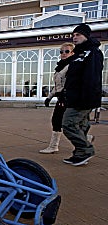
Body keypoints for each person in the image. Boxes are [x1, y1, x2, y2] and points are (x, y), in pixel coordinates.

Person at [62, 23, 103, 166]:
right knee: (82, 126)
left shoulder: (93, 53)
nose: (74, 38)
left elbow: (92, 77)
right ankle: (80, 154)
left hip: (84, 98)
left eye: (78, 35)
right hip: (74, 97)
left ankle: (85, 150)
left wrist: (87, 99)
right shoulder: (78, 54)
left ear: (86, 36)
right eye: (73, 35)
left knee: (68, 124)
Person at [39, 43, 74, 154]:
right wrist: (49, 97)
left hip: (67, 99)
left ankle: (84, 139)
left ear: (72, 53)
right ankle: (85, 139)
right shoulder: (61, 66)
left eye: (67, 51)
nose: (63, 54)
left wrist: (64, 97)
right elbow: (57, 85)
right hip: (61, 98)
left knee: (61, 122)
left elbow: (70, 84)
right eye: (61, 51)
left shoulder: (71, 66)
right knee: (60, 122)